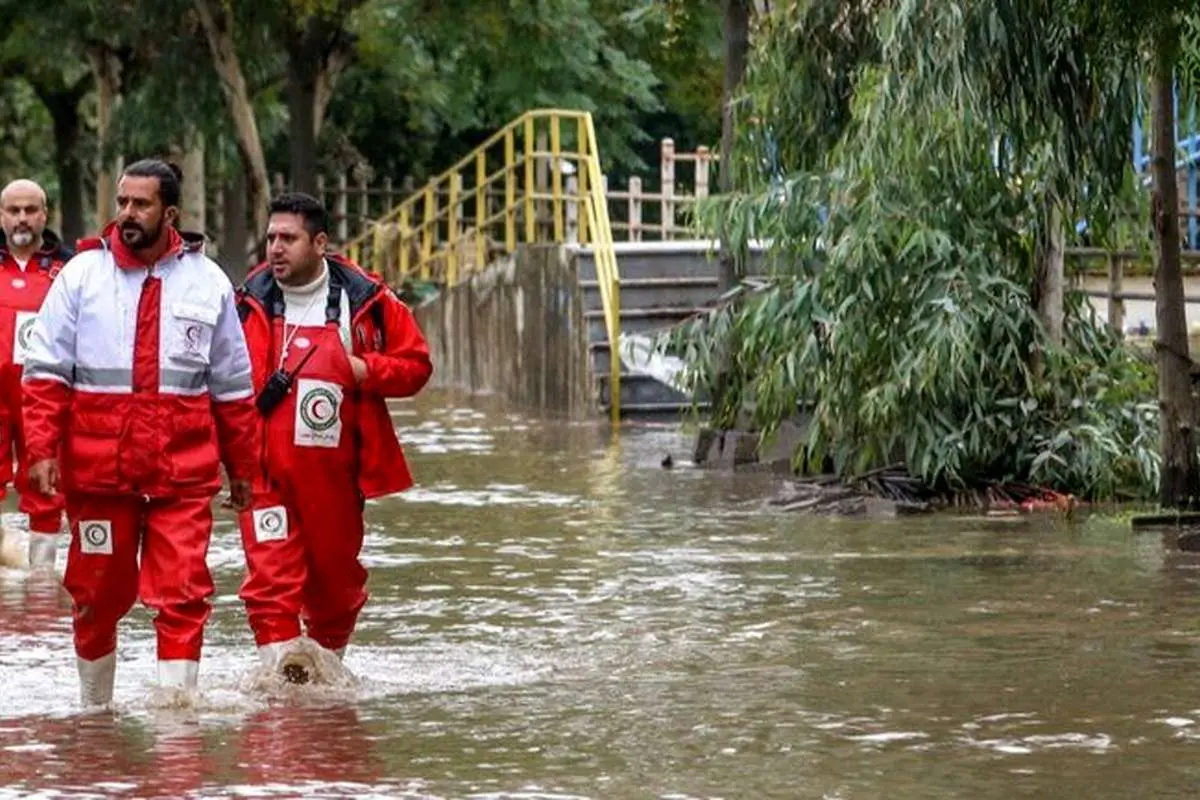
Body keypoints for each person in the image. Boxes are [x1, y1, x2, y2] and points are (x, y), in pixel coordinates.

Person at [21, 159, 259, 707]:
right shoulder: (81, 276)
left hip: (182, 474)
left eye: (141, 204)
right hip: (99, 473)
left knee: (183, 594)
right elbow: (45, 374)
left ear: (170, 214)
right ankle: (94, 716)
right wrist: (40, 451)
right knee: (95, 594)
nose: (127, 213)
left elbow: (232, 388)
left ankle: (177, 728)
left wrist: (243, 468)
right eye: (123, 202)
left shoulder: (209, 282)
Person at [236, 192, 432, 681]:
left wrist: (364, 369)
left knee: (335, 587)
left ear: (320, 243)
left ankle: (322, 688)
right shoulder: (246, 300)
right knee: (269, 582)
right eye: (271, 237)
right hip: (263, 475)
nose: (275, 248)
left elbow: (416, 366)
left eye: (289, 238)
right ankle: (282, 696)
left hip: (336, 478)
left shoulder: (365, 299)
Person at [0, 180, 71, 569]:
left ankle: (42, 579)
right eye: (14, 210)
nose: (22, 218)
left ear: (45, 215)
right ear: (2, 216)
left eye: (30, 210)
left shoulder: (70, 268)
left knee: (46, 481)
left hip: (43, 396)